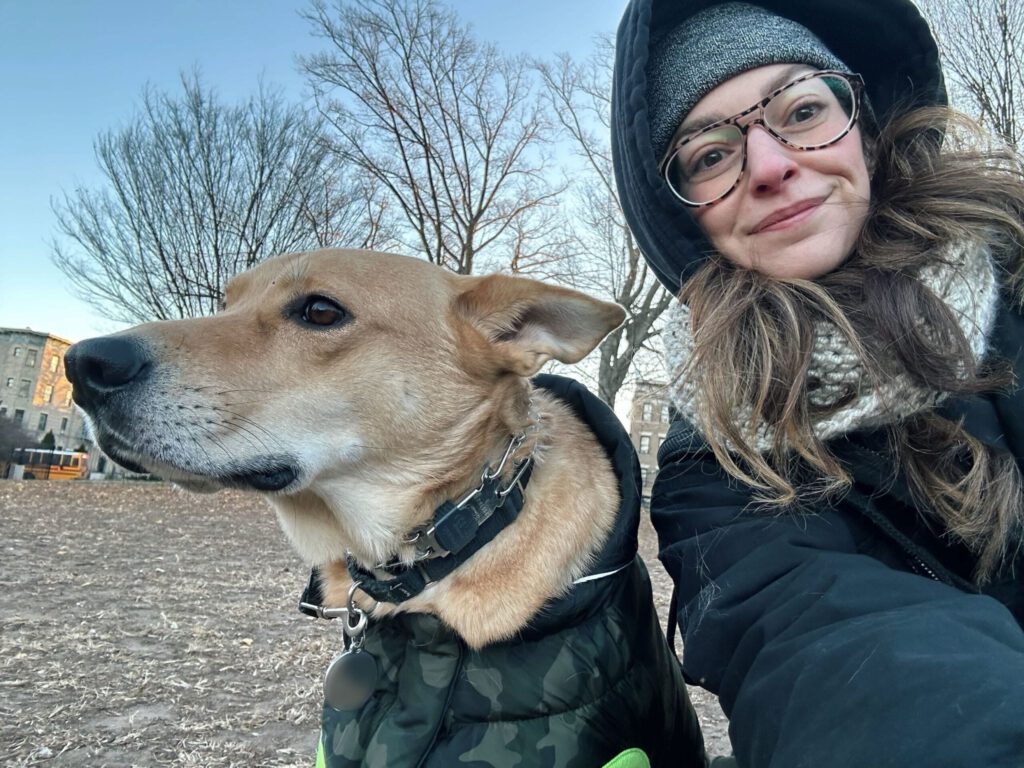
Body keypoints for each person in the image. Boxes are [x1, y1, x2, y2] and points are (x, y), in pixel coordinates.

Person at [611, 1, 1024, 766]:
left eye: (802, 110)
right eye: (709, 156)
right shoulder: (718, 464)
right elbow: (825, 651)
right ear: (684, 220)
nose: (769, 166)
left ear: (865, 124)